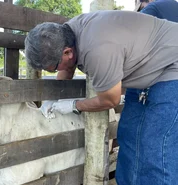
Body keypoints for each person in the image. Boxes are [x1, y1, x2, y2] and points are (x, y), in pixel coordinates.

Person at [24, 10, 178, 185]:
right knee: (128, 135)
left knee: (157, 142)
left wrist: (74, 105)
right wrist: (56, 98)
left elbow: (110, 100)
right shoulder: (68, 34)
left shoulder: (97, 50)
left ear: (67, 52)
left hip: (172, 66)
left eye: (52, 68)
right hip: (142, 66)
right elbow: (66, 69)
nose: (54, 72)